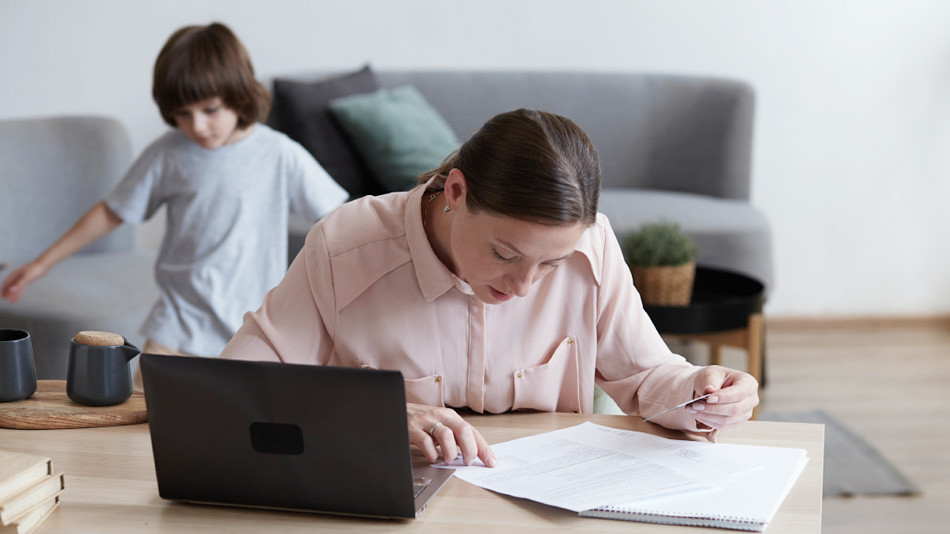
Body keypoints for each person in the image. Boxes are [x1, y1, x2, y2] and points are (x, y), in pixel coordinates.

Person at [219, 109, 759, 468]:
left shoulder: (592, 247)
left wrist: (703, 392)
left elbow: (645, 378)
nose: (525, 286)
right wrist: (368, 413)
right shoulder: (344, 246)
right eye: (506, 254)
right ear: (456, 191)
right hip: (379, 501)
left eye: (550, 264)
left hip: (543, 502)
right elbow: (233, 386)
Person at [1, 23, 348, 363]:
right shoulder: (169, 153)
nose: (196, 126)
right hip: (178, 325)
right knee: (148, 410)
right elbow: (112, 211)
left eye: (209, 109)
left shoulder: (279, 153)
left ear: (239, 95)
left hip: (255, 327)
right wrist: (41, 264)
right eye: (183, 114)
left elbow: (341, 219)